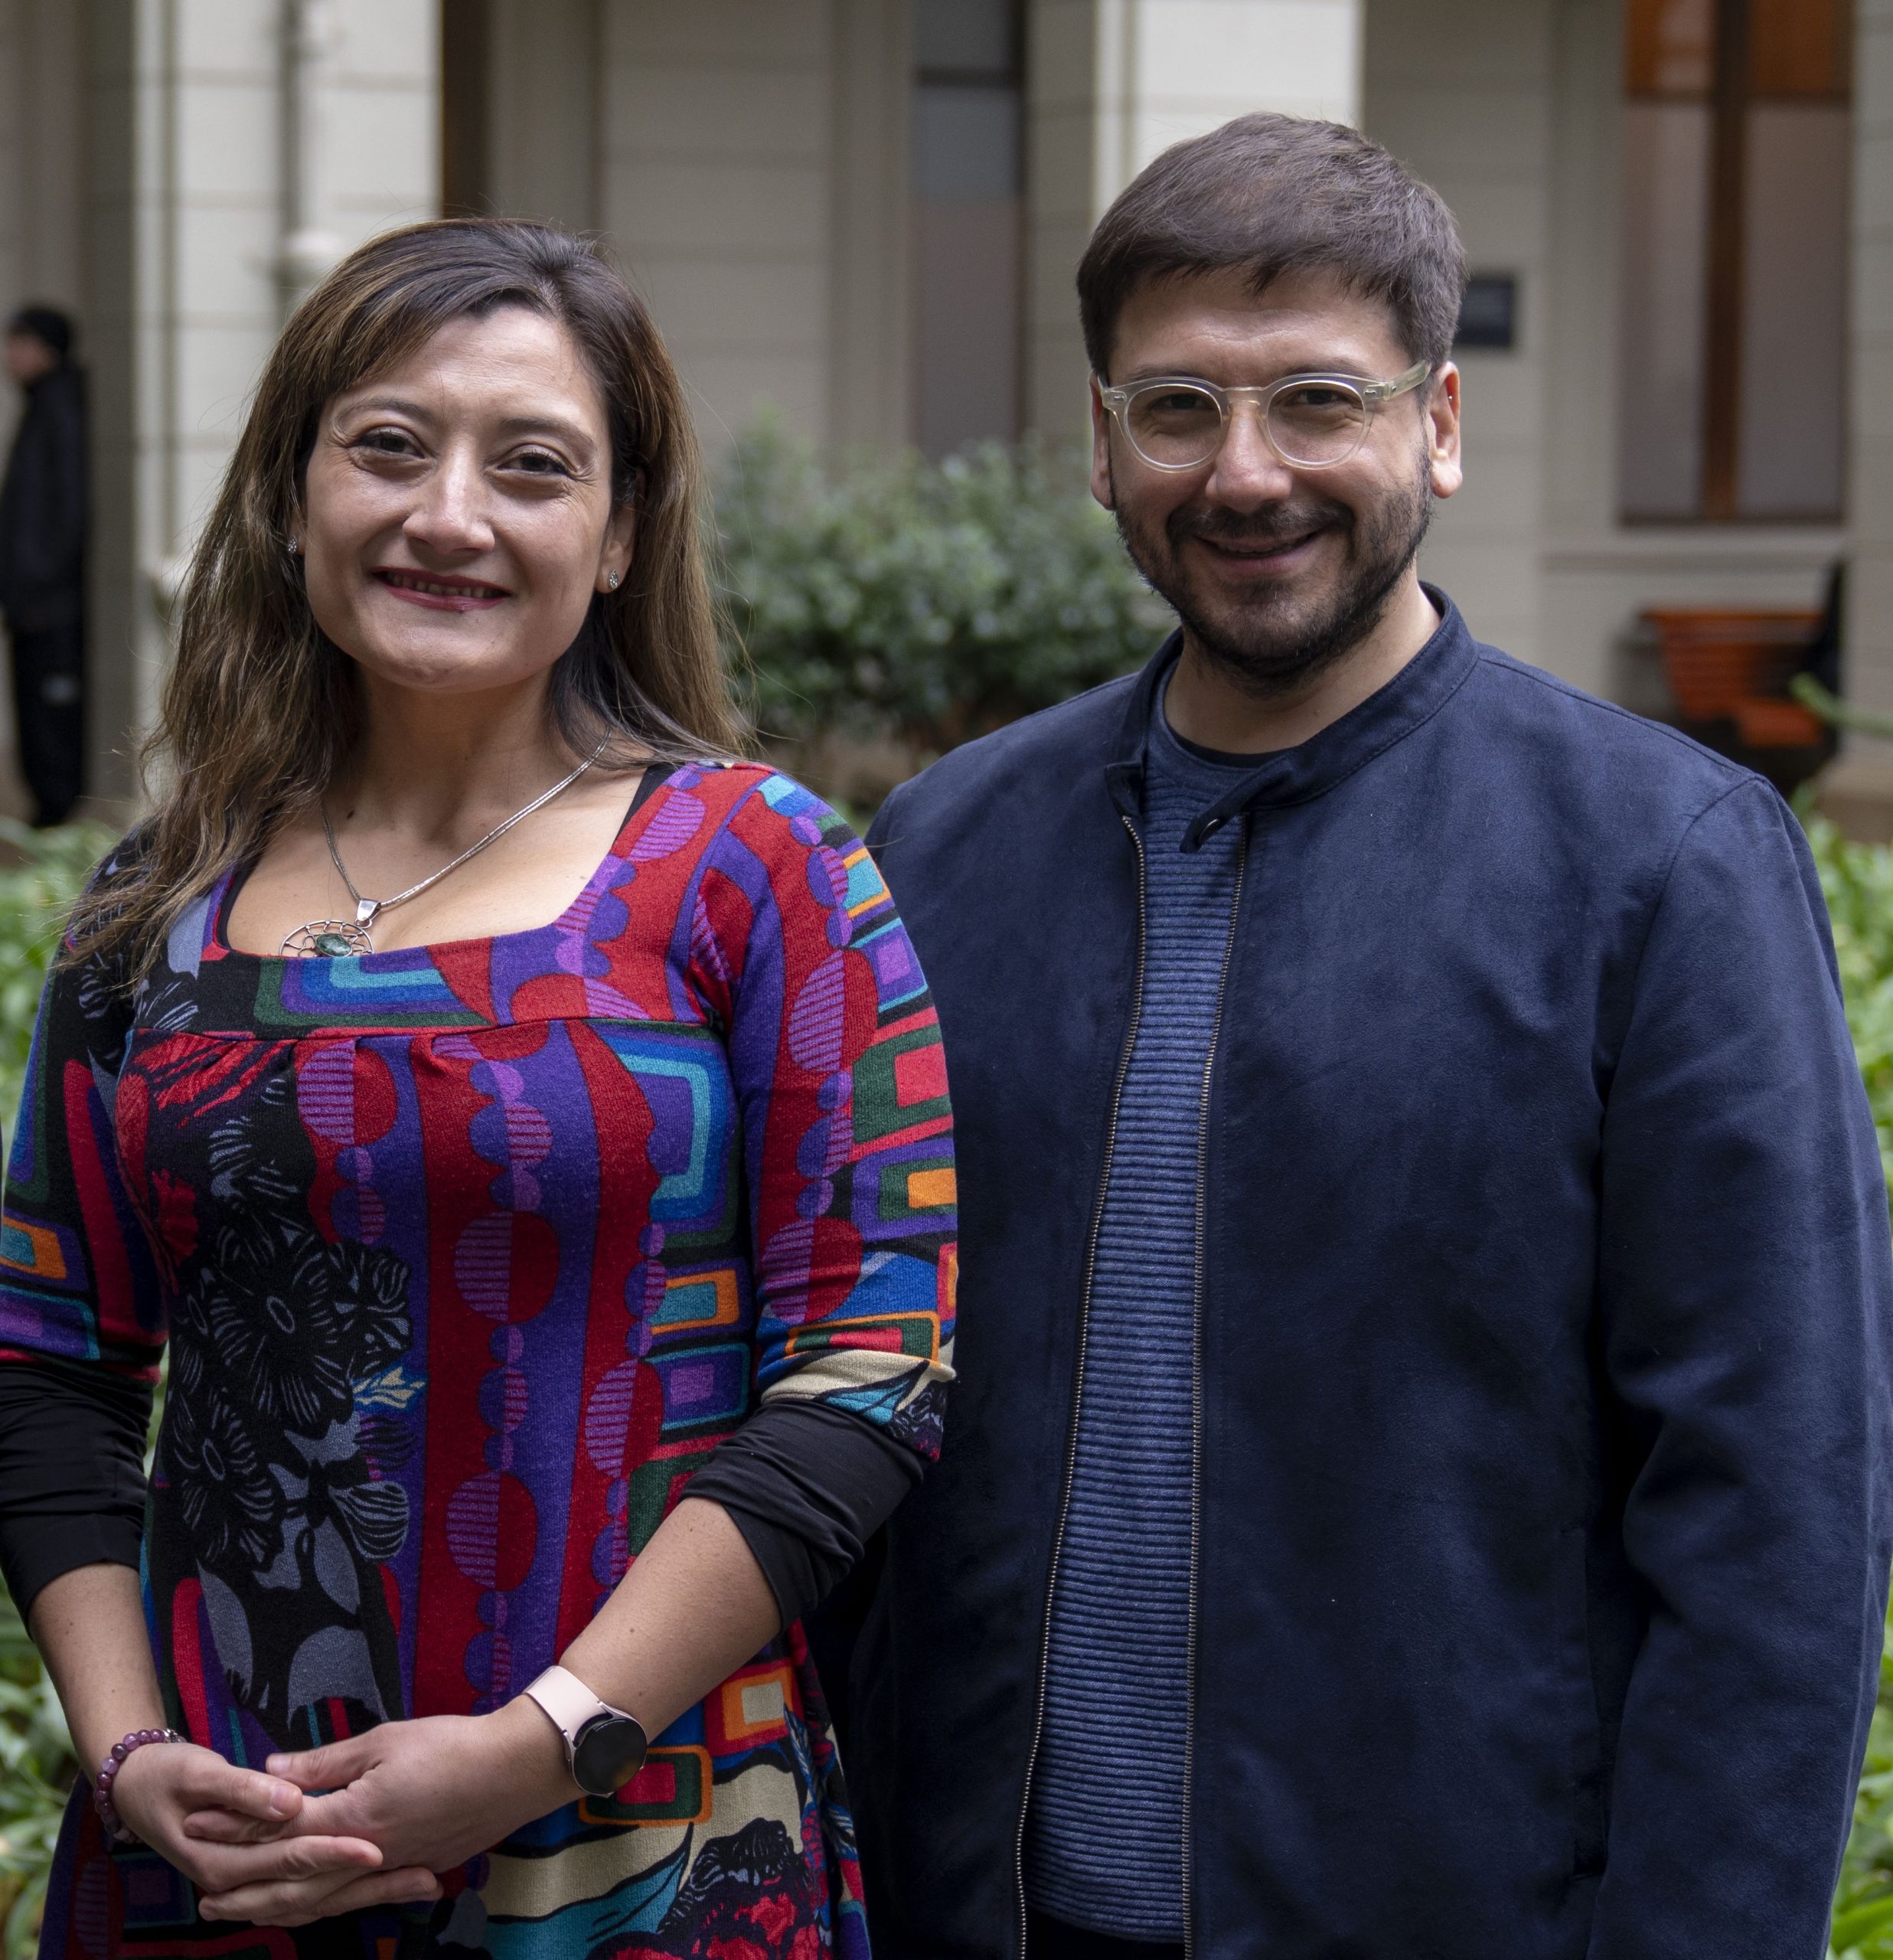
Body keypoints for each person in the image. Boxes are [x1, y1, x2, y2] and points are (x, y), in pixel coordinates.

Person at [839, 113, 1893, 1958]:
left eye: (1317, 400)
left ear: (1439, 425)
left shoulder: (1661, 863)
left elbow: (1774, 1517)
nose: (1244, 470)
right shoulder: (943, 852)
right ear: (1101, 443)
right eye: (1178, 408)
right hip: (972, 1912)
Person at [0, 219, 955, 1960]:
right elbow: (48, 1363)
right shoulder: (160, 898)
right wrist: (130, 1755)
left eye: (532, 464)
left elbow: (872, 1367)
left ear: (621, 531)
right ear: (292, 493)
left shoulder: (760, 870)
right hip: (219, 1849)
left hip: (639, 1844)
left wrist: (540, 1743)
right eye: (388, 444)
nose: (450, 515)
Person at [0, 303, 87, 825]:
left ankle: (57, 824)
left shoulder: (61, 406)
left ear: (46, 350)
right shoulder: (42, 404)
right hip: (34, 601)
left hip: (50, 606)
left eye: (19, 343)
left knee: (52, 719)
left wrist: (38, 584)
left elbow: (67, 511)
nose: (10, 355)